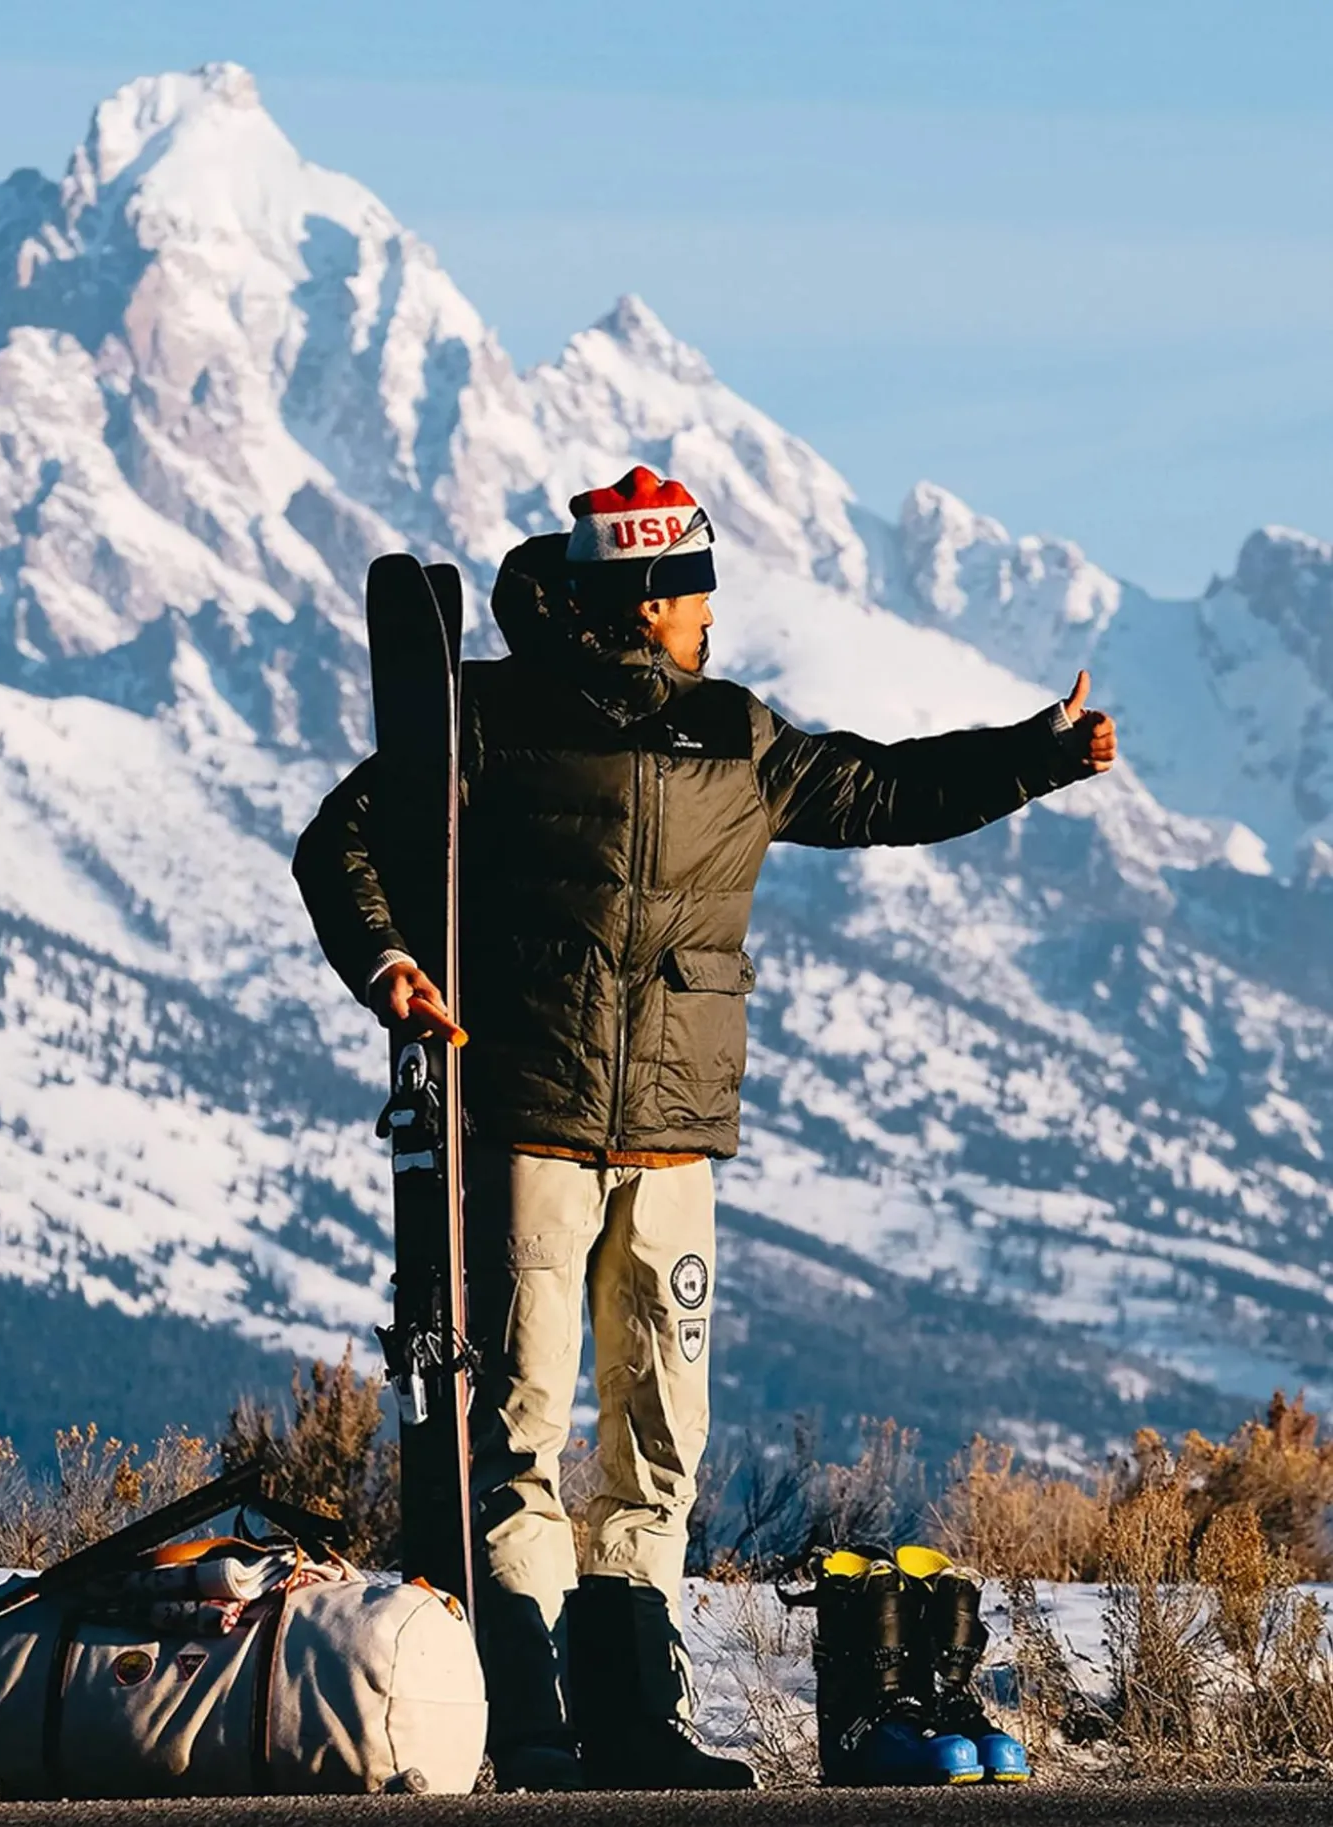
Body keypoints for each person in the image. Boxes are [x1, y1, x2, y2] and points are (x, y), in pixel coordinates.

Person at [292, 467, 1117, 1793]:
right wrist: (389, 960)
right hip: (534, 1139)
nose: (708, 618)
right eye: (696, 594)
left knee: (647, 1444)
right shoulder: (491, 719)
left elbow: (880, 790)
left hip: (670, 1151)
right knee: (524, 1440)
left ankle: (632, 1723)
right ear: (649, 597)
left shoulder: (732, 734)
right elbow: (344, 839)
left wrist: (1034, 758)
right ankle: (531, 1725)